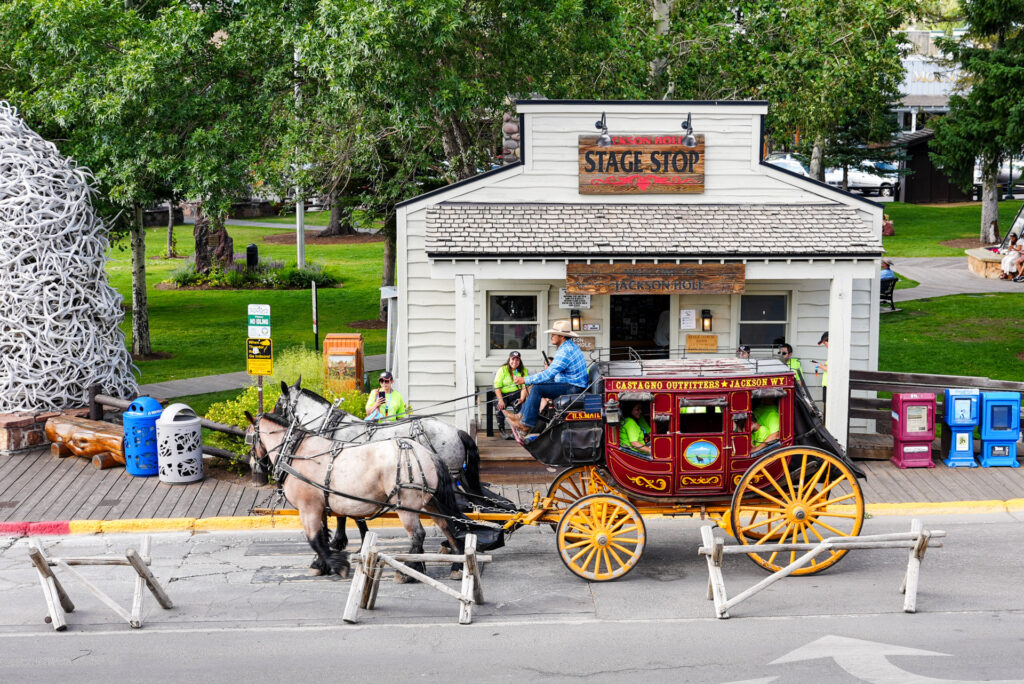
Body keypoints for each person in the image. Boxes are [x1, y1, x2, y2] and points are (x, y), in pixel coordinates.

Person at [503, 320, 589, 440]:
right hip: (569, 382)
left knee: (537, 388)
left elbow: (549, 373)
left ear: (562, 336)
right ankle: (521, 416)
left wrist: (525, 379)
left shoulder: (565, 350)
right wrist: (535, 379)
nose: (551, 336)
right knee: (536, 384)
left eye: (554, 334)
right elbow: (552, 373)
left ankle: (526, 425)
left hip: (573, 386)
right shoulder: (568, 346)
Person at [493, 351, 528, 439]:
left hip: (516, 394)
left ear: (520, 361)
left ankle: (517, 429)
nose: (515, 362)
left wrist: (522, 398)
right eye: (513, 359)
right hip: (503, 394)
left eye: (517, 360)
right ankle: (502, 430)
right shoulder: (503, 369)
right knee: (499, 405)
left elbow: (524, 386)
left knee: (521, 404)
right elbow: (497, 386)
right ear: (509, 359)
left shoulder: (523, 370)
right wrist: (500, 400)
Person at [815, 331, 829, 410]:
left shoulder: (834, 353)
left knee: (827, 406)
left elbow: (829, 369)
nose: (825, 345)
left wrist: (819, 366)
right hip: (826, 385)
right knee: (825, 405)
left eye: (825, 343)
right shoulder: (831, 353)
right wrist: (821, 365)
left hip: (829, 385)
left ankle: (827, 422)